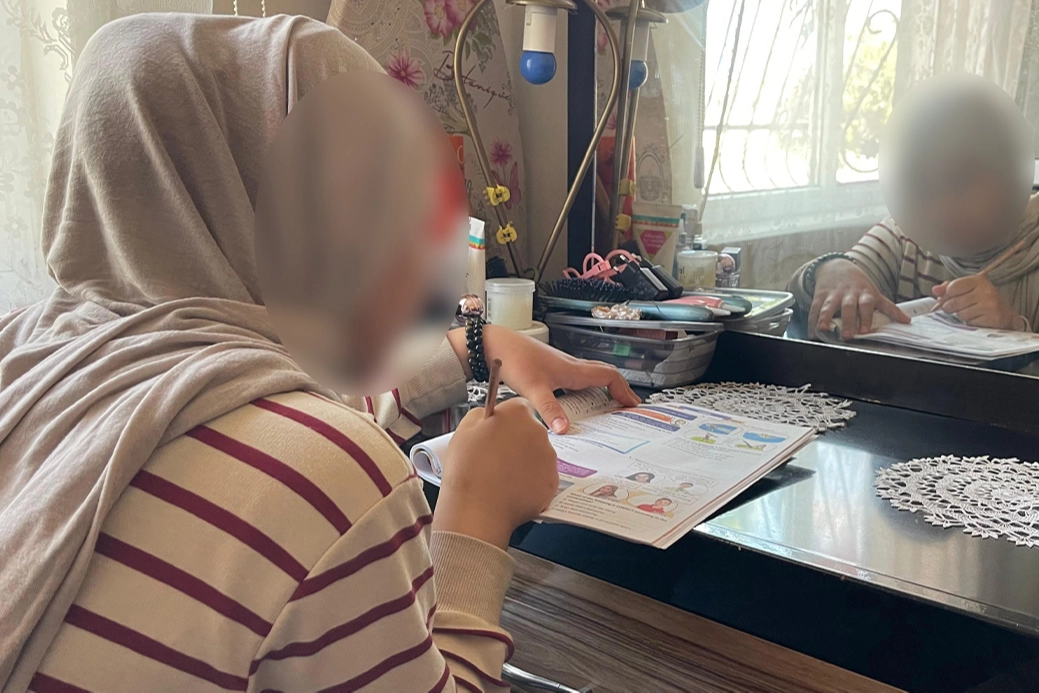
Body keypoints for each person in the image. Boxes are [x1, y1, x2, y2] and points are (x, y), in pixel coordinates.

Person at [0, 14, 638, 692]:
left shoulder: (26, 352)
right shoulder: (329, 480)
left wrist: (474, 346)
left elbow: (255, 413)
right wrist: (478, 513)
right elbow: (300, 458)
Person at [790, 74, 1038, 340]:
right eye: (923, 186)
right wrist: (832, 269)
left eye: (963, 180)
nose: (943, 207)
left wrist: (1013, 327)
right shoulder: (903, 238)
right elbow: (798, 300)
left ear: (1008, 172)